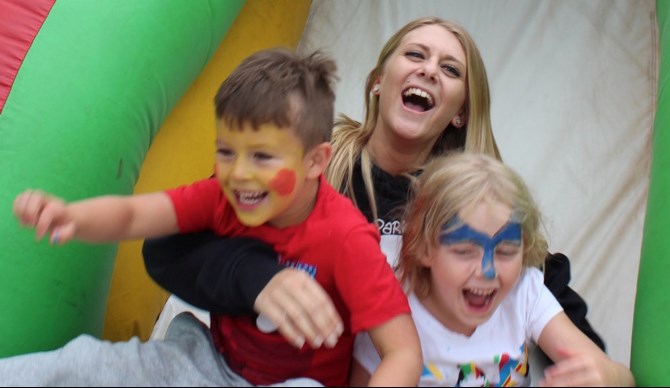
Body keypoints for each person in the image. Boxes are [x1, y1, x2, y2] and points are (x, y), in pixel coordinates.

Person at [143, 16, 606, 353]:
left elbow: (538, 286)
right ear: (379, 82)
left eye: (450, 69)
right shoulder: (306, 167)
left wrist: (589, 363)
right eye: (415, 54)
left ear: (461, 111)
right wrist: (255, 280)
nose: (428, 70)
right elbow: (171, 245)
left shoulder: (474, 206)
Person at [9, 47, 422, 387]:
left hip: (294, 384)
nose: (239, 171)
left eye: (262, 155)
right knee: (88, 362)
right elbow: (136, 214)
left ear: (316, 161)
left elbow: (402, 351)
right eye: (226, 151)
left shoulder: (345, 236)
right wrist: (71, 216)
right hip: (212, 365)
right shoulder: (225, 197)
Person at [350, 152, 635, 387]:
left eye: (505, 252)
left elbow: (618, 376)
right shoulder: (394, 307)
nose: (487, 271)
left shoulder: (525, 293)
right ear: (424, 247)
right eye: (464, 251)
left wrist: (608, 376)